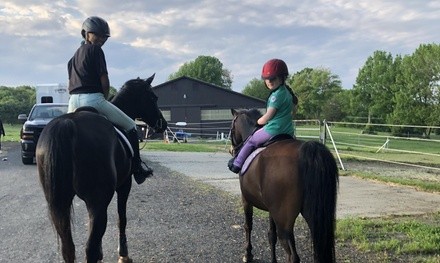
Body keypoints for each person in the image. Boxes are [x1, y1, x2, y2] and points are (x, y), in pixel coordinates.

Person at [67, 16, 152, 184]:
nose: (101, 39)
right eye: (97, 35)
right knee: (131, 126)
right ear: (86, 34)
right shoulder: (96, 51)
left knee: (68, 135)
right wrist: (103, 98)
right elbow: (104, 81)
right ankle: (137, 168)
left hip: (72, 102)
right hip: (93, 99)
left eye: (104, 36)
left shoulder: (73, 57)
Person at [228, 58, 298, 174]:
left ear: (282, 78)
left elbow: (269, 116)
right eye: (266, 79)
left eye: (272, 78)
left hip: (273, 129)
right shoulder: (287, 93)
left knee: (251, 141)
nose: (269, 81)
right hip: (288, 131)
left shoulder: (276, 96)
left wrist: (259, 121)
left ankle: (237, 163)